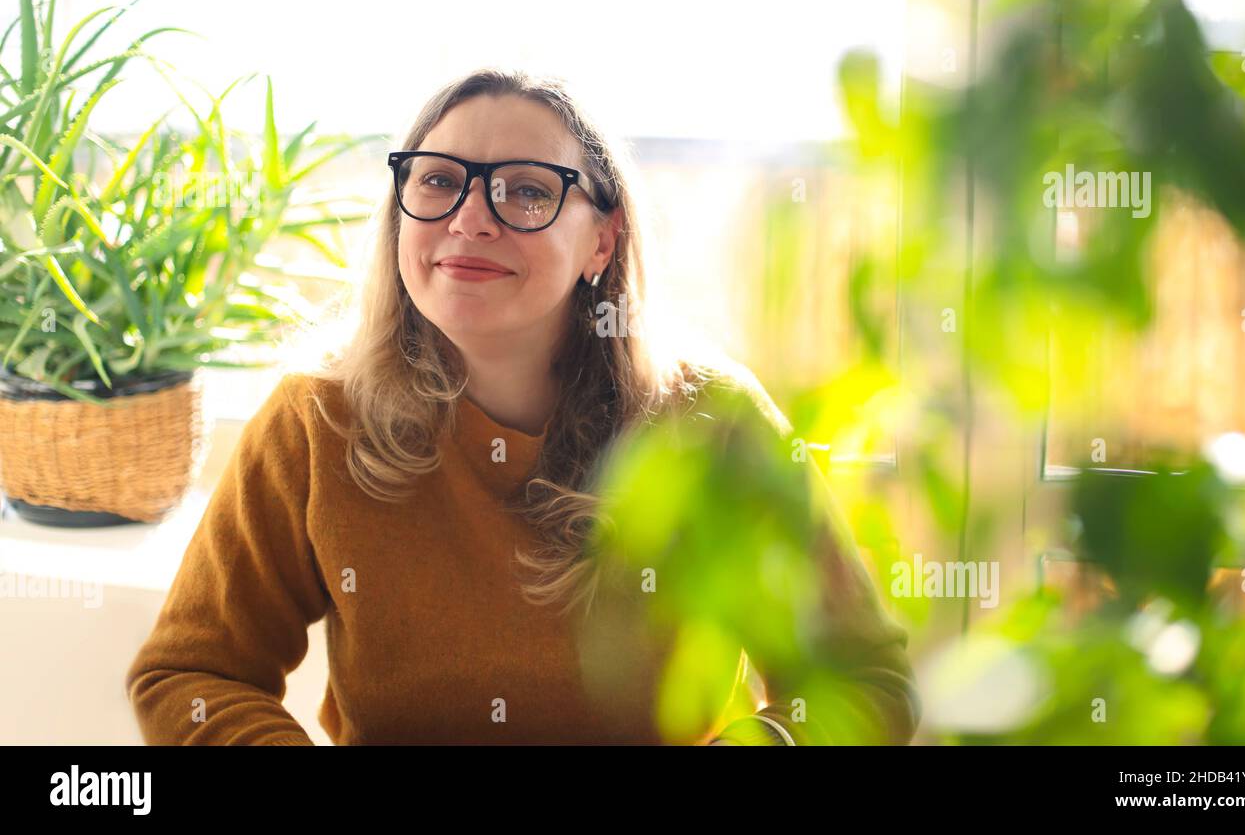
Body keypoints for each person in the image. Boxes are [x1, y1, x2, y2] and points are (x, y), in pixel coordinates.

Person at [124, 67, 920, 745]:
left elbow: (866, 681)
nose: (470, 217)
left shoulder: (713, 424)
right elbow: (190, 671)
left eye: (527, 191)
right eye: (437, 180)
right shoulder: (314, 421)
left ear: (602, 242)